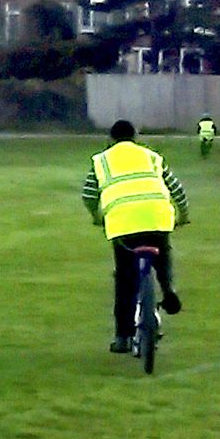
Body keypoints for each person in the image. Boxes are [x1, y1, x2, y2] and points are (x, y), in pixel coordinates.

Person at [81, 120, 189, 354]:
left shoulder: (102, 160)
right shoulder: (151, 157)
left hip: (122, 224)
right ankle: (168, 289)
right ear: (136, 137)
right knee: (163, 252)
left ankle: (123, 337)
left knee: (125, 279)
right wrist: (183, 215)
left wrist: (97, 216)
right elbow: (176, 189)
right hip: (157, 218)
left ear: (110, 138)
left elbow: (89, 194)